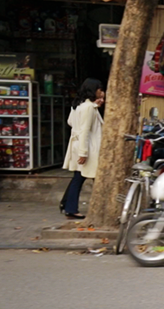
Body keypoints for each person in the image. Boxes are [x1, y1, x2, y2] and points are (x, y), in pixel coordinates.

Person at [61, 78, 104, 219]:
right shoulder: (88, 108)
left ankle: (68, 205)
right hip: (88, 147)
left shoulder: (79, 106)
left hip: (78, 144)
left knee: (78, 178)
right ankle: (71, 208)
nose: (102, 92)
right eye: (99, 89)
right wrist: (83, 152)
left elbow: (70, 122)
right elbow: (85, 130)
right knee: (87, 177)